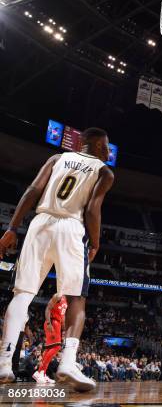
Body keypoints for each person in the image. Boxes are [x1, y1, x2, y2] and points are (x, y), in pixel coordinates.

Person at [0, 127, 114, 392]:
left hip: (39, 224)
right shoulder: (104, 171)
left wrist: (12, 228)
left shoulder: (56, 159)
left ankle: (4, 363)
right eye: (106, 146)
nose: (108, 151)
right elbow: (93, 209)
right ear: (97, 146)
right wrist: (95, 242)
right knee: (76, 298)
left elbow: (31, 190)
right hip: (72, 227)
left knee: (22, 294)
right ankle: (68, 363)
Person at [33, 294, 67, 384]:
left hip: (57, 323)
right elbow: (48, 308)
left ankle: (42, 373)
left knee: (49, 349)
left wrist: (64, 329)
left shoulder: (67, 300)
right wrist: (48, 323)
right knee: (57, 347)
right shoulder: (58, 295)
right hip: (52, 322)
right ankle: (40, 371)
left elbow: (62, 316)